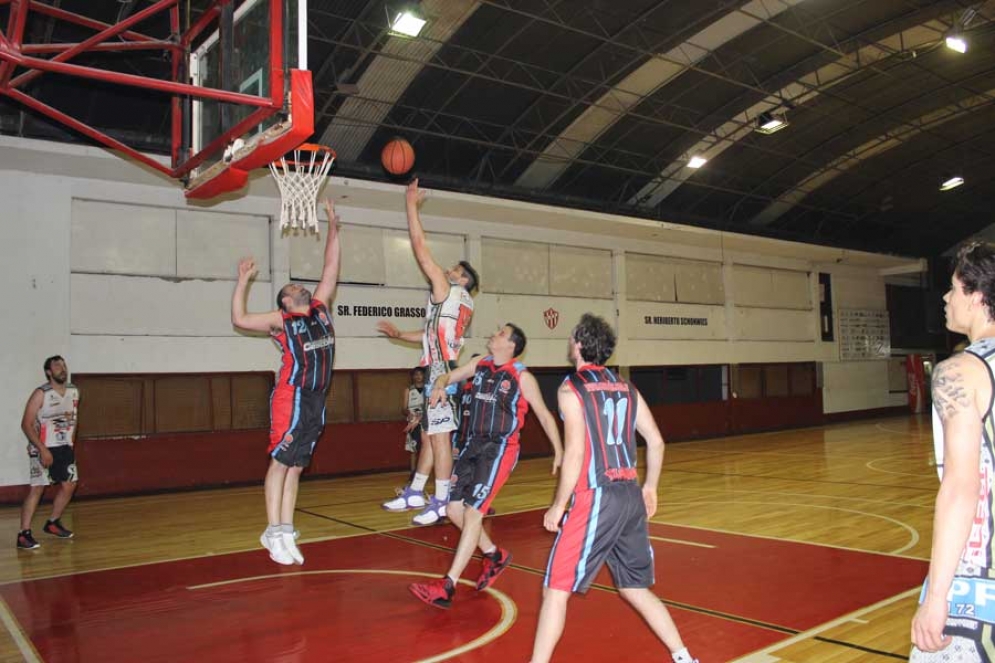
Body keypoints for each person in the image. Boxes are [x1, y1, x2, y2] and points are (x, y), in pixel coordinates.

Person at [531, 314, 697, 663]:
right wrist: (650, 487)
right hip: (630, 495)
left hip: (597, 496)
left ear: (578, 343)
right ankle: (684, 657)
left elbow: (575, 453)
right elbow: (656, 441)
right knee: (634, 588)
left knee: (555, 589)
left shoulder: (570, 388)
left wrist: (558, 505)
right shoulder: (627, 387)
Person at [409, 323, 563, 608]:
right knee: (452, 508)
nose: (494, 333)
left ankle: (447, 585)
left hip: (499, 449)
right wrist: (440, 386)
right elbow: (448, 375)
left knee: (473, 513)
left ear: (511, 345)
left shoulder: (521, 376)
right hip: (472, 445)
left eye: (501, 333)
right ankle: (493, 555)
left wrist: (559, 451)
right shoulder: (480, 363)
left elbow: (544, 415)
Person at [231, 198, 340, 567]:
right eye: (294, 287)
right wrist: (243, 282)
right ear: (286, 300)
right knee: (280, 462)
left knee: (296, 467)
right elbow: (241, 319)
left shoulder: (320, 311)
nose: (303, 288)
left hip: (316, 399)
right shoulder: (281, 321)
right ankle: (272, 530)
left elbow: (330, 269)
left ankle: (287, 527)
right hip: (291, 397)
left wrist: (333, 229)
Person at [911, 241, 995, 662]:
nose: (946, 298)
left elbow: (963, 487)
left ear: (977, 296)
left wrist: (938, 595)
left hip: (978, 577)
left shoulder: (960, 371)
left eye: (953, 288)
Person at [378, 178, 479, 526]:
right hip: (440, 365)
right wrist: (398, 333)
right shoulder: (459, 303)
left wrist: (410, 206)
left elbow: (420, 248)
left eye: (457, 271)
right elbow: (428, 334)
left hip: (442, 372)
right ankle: (417, 491)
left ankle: (440, 501)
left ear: (463, 281)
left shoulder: (447, 289)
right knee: (427, 436)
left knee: (438, 440)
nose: (449, 270)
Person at [17, 356, 80, 550]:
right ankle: (23, 534)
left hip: (64, 446)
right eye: (57, 366)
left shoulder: (74, 391)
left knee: (70, 485)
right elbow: (26, 424)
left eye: (63, 365)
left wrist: (71, 443)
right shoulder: (41, 393)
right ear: (48, 372)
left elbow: (74, 419)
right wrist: (42, 449)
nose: (62, 368)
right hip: (42, 446)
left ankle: (52, 522)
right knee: (38, 488)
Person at [403, 367, 427, 471]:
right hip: (413, 423)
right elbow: (403, 408)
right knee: (413, 449)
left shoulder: (428, 389)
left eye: (420, 374)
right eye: (416, 374)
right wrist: (408, 413)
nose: (418, 376)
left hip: (426, 421)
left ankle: (424, 471)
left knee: (426, 447)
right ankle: (413, 473)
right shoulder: (408, 390)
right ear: (412, 377)